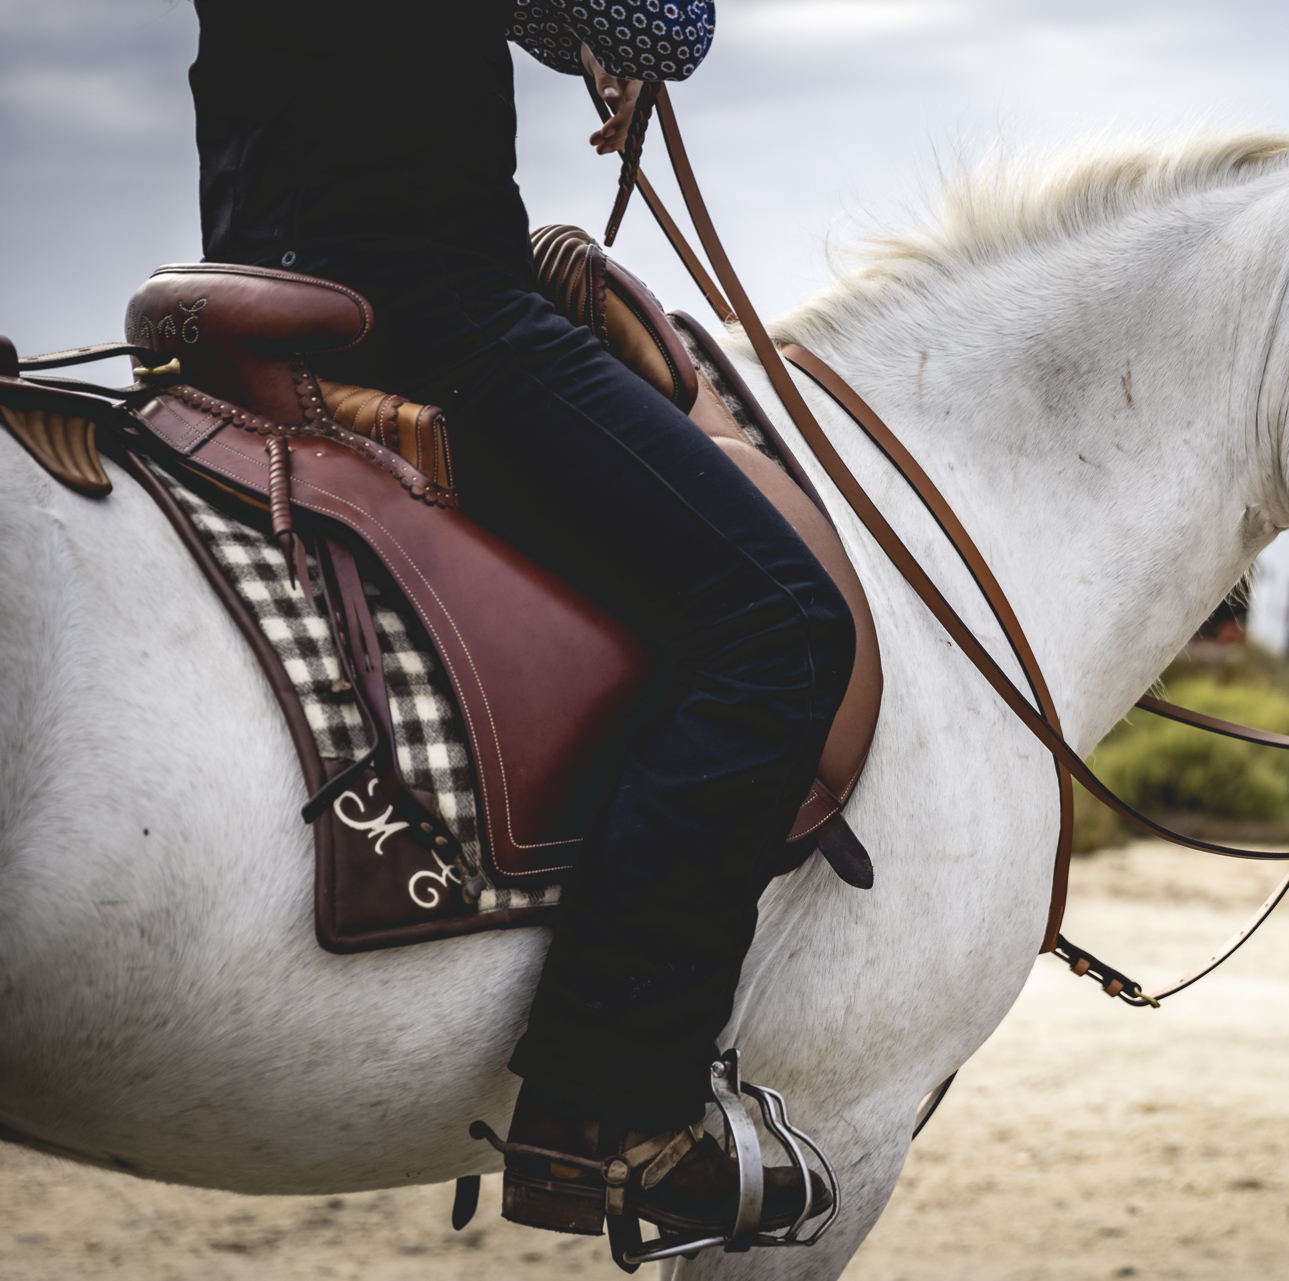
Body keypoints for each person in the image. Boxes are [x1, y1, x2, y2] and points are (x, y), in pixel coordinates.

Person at [188, 1, 854, 1240]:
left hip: (240, 283)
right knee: (782, 629)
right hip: (422, 302)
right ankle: (615, 1112)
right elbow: (664, 24)